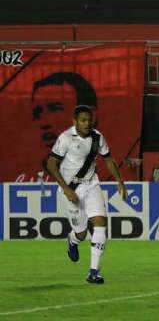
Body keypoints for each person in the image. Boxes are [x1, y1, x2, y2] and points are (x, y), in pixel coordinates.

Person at [46, 105, 126, 284]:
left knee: (100, 222)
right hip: (70, 190)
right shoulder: (66, 138)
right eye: (83, 120)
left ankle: (93, 272)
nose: (87, 123)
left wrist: (120, 182)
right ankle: (72, 240)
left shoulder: (97, 137)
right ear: (75, 122)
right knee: (81, 234)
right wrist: (66, 189)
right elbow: (51, 164)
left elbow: (109, 160)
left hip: (91, 185)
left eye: (89, 120)